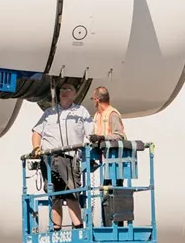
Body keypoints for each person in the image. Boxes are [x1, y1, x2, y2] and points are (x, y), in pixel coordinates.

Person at [30, 81, 92, 231]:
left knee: (71, 193)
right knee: (55, 195)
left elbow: (90, 133)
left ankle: (78, 227)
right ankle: (56, 228)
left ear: (75, 94)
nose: (64, 91)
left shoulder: (81, 111)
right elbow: (36, 132)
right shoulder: (49, 113)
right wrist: (36, 148)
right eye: (62, 89)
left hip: (69, 158)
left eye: (69, 89)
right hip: (49, 159)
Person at [89, 86, 129, 226]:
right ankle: (108, 225)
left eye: (93, 99)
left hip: (116, 161)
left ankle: (116, 226)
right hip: (105, 161)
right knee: (106, 194)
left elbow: (119, 136)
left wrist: (102, 137)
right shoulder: (97, 115)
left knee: (114, 194)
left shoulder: (112, 114)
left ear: (97, 99)